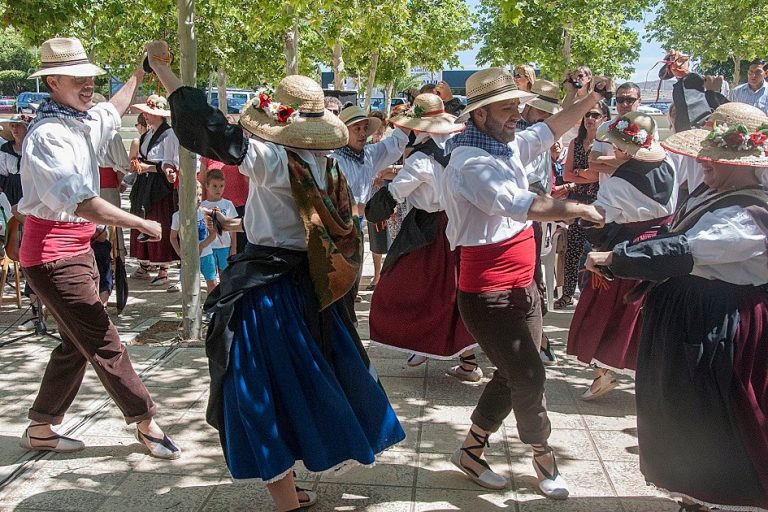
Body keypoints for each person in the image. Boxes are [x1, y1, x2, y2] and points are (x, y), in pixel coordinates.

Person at [147, 40, 405, 512]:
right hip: (313, 288)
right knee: (314, 380)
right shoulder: (327, 166)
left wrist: (165, 72)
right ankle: (294, 483)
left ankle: (284, 497)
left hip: (269, 293)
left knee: (257, 390)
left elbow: (210, 132)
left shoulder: (272, 159)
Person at [585, 101, 768, 512]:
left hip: (718, 323)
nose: (703, 164)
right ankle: (696, 492)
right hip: (694, 315)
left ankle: (721, 495)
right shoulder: (718, 192)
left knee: (713, 412)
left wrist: (617, 258)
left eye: (711, 158)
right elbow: (674, 233)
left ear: (743, 164)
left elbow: (689, 248)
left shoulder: (750, 212)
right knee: (682, 410)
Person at [440, 67, 608, 498]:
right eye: (506, 107)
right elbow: (518, 204)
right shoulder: (470, 160)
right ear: (479, 114)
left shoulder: (504, 142)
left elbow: (551, 127)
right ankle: (542, 454)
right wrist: (577, 209)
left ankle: (471, 450)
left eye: (518, 104)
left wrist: (587, 100)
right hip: (488, 293)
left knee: (514, 371)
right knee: (530, 375)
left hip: (523, 285)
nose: (517, 112)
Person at [17, 37, 179, 459]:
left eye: (89, 77)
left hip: (78, 248)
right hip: (52, 254)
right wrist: (140, 221)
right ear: (53, 81)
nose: (88, 84)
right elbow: (82, 202)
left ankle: (40, 427)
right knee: (105, 341)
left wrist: (141, 71)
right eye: (77, 78)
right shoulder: (47, 134)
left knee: (77, 343)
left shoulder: (81, 117)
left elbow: (116, 107)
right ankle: (146, 422)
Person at [366, 93, 481, 380]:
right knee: (449, 291)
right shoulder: (458, 148)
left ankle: (433, 346)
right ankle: (461, 358)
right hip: (459, 225)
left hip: (427, 230)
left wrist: (374, 210)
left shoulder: (420, 160)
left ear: (419, 128)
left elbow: (394, 194)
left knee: (398, 288)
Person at [566, 112, 676, 400]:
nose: (613, 149)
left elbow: (600, 217)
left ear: (626, 149)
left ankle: (605, 372)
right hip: (662, 246)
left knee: (606, 309)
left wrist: (573, 214)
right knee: (645, 312)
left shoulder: (618, 185)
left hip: (626, 248)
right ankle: (638, 375)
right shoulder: (670, 166)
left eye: (616, 145)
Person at [334, 105, 408, 314]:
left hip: (356, 226)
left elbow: (394, 144)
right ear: (343, 132)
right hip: (337, 229)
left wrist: (409, 118)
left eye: (364, 128)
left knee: (353, 278)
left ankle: (347, 320)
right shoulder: (334, 160)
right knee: (341, 280)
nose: (362, 133)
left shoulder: (367, 154)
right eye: (356, 128)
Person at [516, 79, 563, 365]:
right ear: (531, 106)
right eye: (543, 112)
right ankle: (536, 339)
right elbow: (529, 184)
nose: (546, 118)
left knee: (533, 279)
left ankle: (538, 337)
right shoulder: (521, 135)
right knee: (527, 279)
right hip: (522, 214)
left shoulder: (538, 133)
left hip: (534, 217)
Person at [554, 101, 610, 309]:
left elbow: (596, 176)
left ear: (604, 117)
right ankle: (567, 294)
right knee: (573, 249)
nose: (590, 119)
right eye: (587, 115)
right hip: (577, 201)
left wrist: (579, 174)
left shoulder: (606, 144)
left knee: (595, 250)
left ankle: (591, 297)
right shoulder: (576, 143)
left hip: (598, 202)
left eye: (595, 115)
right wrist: (581, 174)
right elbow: (567, 173)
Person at [128, 95, 179, 286]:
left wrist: (148, 167)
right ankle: (145, 262)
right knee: (143, 218)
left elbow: (170, 162)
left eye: (149, 113)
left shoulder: (169, 134)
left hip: (158, 185)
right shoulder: (148, 134)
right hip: (144, 183)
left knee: (160, 220)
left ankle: (163, 267)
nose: (146, 116)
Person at [199, 115, 249, 256]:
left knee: (239, 250)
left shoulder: (240, 152)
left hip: (238, 207)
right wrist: (202, 204)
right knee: (215, 247)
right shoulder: (208, 153)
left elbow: (248, 179)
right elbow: (202, 181)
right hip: (213, 208)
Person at [170, 181, 218, 296]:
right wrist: (179, 252)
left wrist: (202, 245)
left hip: (206, 255)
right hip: (188, 256)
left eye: (200, 195)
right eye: (195, 195)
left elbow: (213, 234)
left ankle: (209, 308)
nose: (199, 198)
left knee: (212, 282)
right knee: (189, 285)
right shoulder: (177, 216)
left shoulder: (204, 213)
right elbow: (173, 237)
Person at [199, 169, 237, 273]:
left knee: (224, 275)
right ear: (207, 186)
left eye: (221, 186)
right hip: (208, 247)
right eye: (214, 186)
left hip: (225, 246)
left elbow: (233, 230)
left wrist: (233, 249)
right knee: (211, 278)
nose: (218, 189)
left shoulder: (228, 204)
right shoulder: (202, 206)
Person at [0, 114, 32, 206]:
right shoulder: (6, 148)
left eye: (18, 125)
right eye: (13, 126)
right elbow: (2, 172)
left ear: (26, 128)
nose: (15, 129)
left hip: (29, 188)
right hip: (10, 188)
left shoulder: (33, 148)